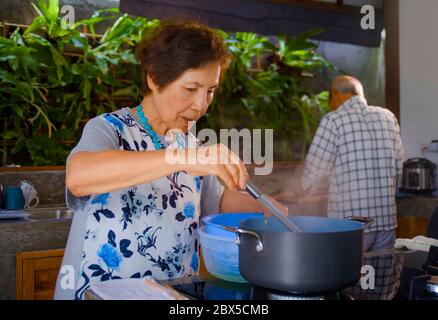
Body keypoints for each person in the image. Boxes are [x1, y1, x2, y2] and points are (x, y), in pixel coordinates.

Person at [54, 20, 286, 300]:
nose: (201, 105)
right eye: (190, 89)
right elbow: (80, 178)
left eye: (210, 90)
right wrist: (179, 158)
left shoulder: (193, 147)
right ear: (154, 78)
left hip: (172, 296)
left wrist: (263, 207)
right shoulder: (110, 128)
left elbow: (219, 203)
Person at [300, 75, 404, 251]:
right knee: (383, 277)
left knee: (347, 276)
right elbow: (398, 166)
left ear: (336, 95)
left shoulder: (333, 120)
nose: (329, 105)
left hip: (351, 226)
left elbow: (315, 170)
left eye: (329, 100)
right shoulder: (388, 117)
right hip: (386, 222)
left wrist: (301, 189)